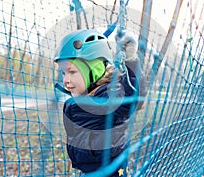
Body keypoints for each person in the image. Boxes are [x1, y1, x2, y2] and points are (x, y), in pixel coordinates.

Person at [53, 29, 146, 176]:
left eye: (72, 72)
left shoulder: (109, 98)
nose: (65, 80)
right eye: (63, 73)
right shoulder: (77, 101)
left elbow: (135, 97)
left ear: (95, 70)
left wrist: (131, 59)